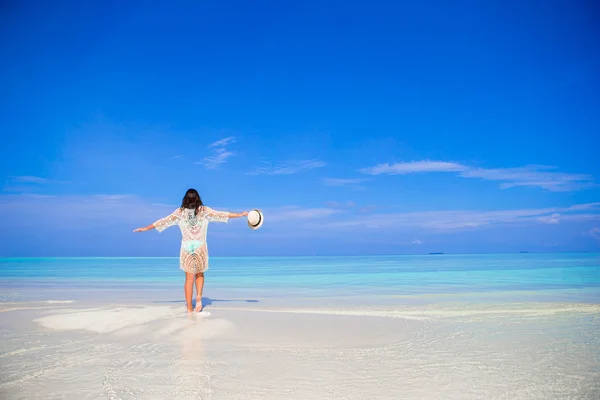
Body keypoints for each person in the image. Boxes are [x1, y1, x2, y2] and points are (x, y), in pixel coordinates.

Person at [134, 189, 248, 312]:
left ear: (185, 199)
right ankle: (198, 297)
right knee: (200, 273)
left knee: (189, 279)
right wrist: (240, 214)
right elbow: (222, 214)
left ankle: (189, 308)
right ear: (198, 198)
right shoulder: (204, 211)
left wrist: (145, 228)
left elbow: (163, 221)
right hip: (201, 248)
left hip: (187, 249)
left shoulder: (180, 212)